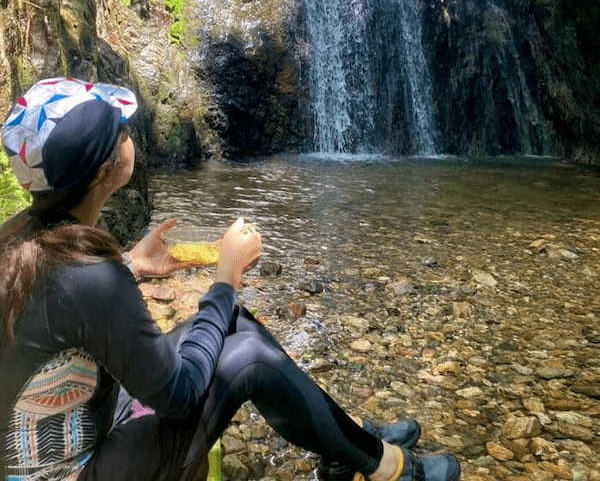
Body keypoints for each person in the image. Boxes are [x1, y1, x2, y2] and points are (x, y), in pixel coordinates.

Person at [0, 77, 461, 481]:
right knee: (248, 356)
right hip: (73, 470)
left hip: (80, 424)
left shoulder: (24, 240)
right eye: (122, 133)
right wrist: (225, 279)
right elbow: (179, 396)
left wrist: (134, 267)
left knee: (235, 323)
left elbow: (61, 316)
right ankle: (388, 468)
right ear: (105, 170)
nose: (129, 140)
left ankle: (346, 444)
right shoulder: (89, 276)